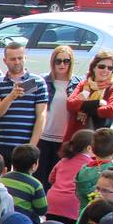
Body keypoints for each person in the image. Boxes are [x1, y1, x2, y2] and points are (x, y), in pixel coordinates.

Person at [0, 40, 47, 167]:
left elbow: (42, 116)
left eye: (20, 58)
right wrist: (11, 96)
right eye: (13, 59)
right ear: (5, 60)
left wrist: (32, 146)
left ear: (25, 58)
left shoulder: (37, 82)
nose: (17, 62)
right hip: (1, 144)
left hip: (25, 145)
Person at [36, 46, 78, 182]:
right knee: (40, 177)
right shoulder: (43, 80)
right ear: (52, 62)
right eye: (58, 61)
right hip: (43, 136)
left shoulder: (78, 84)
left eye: (66, 61)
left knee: (58, 178)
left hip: (64, 139)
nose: (62, 64)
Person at [64, 49, 113, 141]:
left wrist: (84, 107)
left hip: (99, 141)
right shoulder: (84, 84)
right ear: (93, 67)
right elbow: (70, 105)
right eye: (102, 66)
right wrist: (98, 103)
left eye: (110, 68)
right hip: (76, 136)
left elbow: (111, 110)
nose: (105, 70)